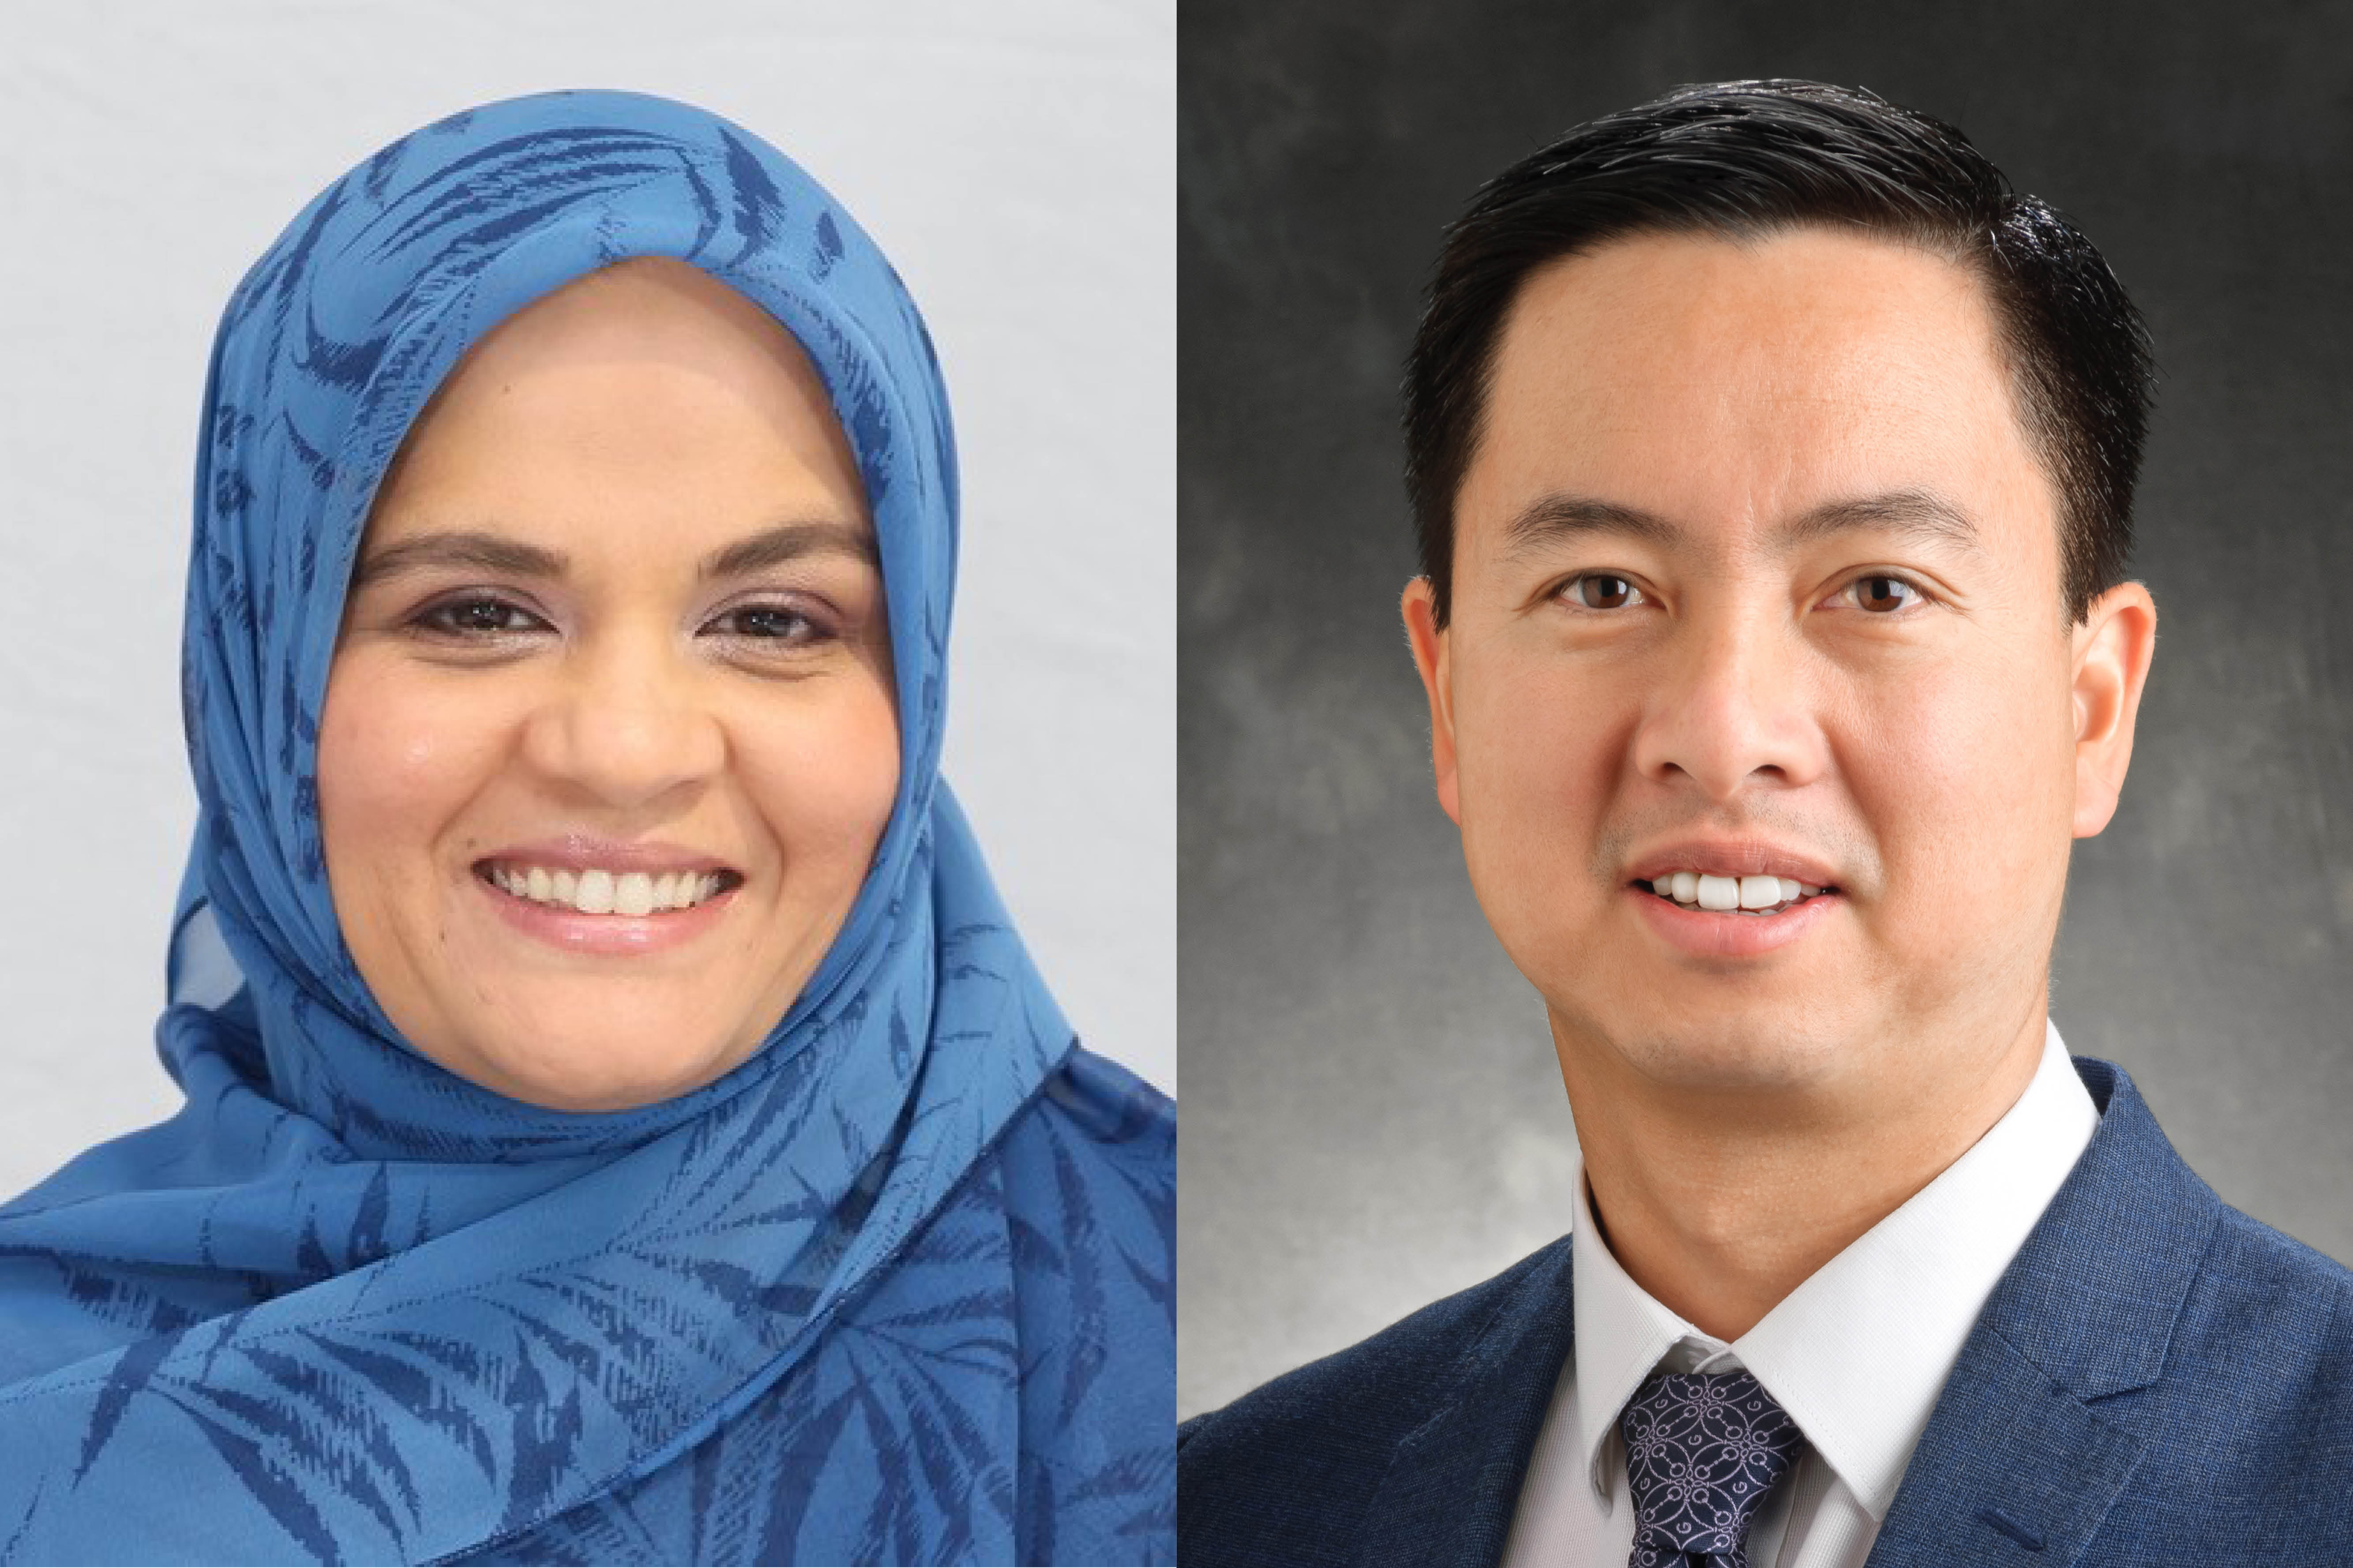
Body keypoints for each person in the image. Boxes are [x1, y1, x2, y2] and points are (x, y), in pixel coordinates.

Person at [1178, 80, 2352, 1565]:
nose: (1725, 732)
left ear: (2093, 706)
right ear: (1449, 692)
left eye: (1876, 589)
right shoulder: (1220, 1512)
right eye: (1602, 587)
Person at [0, 90, 1172, 1566]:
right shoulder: (34, 1387)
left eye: (769, 619)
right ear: (261, 671)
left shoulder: (1199, 1342)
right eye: (477, 613)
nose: (625, 750)